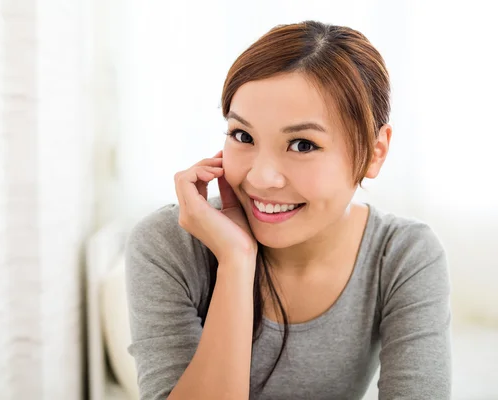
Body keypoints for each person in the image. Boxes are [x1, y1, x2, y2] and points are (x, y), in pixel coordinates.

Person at [125, 20, 451, 400]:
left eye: (302, 145)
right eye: (243, 136)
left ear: (374, 154)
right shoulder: (169, 244)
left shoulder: (403, 255)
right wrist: (236, 262)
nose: (261, 178)